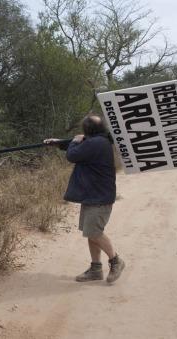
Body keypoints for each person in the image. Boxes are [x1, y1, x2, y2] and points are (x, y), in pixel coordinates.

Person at [44, 115, 125, 284]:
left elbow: (73, 154)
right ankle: (96, 269)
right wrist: (59, 142)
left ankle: (116, 261)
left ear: (87, 129)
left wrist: (74, 141)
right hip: (93, 196)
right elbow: (79, 146)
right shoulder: (99, 141)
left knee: (94, 233)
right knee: (90, 233)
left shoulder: (96, 143)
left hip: (99, 197)